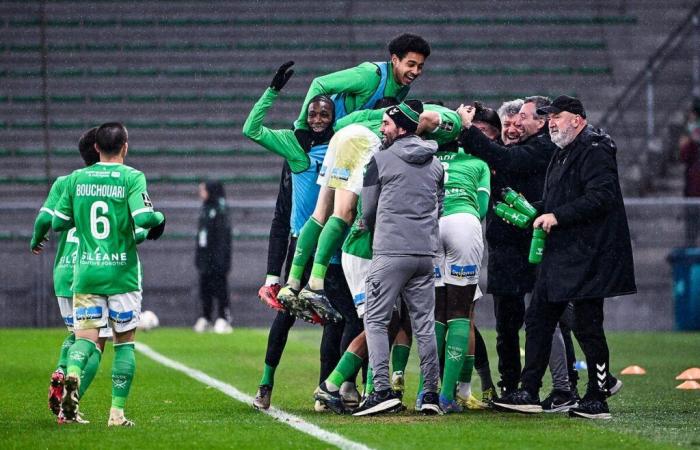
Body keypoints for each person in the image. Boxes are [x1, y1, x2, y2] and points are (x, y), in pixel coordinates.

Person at [489, 95, 636, 419]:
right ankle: (528, 390)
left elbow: (602, 196)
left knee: (587, 324)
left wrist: (558, 217)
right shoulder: (562, 152)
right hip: (564, 255)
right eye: (548, 117)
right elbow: (557, 199)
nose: (551, 121)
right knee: (538, 319)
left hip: (590, 254)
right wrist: (534, 211)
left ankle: (597, 396)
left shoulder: (595, 148)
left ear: (578, 119)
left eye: (557, 116)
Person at [280, 34, 431, 316]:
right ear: (394, 60)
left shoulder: (399, 89)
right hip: (329, 144)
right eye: (411, 64)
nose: (416, 72)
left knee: (318, 213)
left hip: (338, 143)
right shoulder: (370, 75)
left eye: (421, 67)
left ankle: (292, 284)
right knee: (339, 214)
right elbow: (319, 84)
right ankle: (313, 286)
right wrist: (302, 127)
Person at [242, 63, 362, 411]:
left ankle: (328, 389)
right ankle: (265, 385)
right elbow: (251, 129)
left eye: (325, 113)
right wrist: (272, 91)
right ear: (305, 115)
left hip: (336, 246)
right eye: (313, 113)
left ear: (334, 115)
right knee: (286, 314)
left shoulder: (344, 144)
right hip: (302, 246)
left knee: (337, 318)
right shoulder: (296, 145)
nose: (319, 118)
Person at [52, 122, 166, 426]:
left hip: (87, 273)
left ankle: (73, 373)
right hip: (122, 274)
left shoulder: (77, 179)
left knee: (85, 339)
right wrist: (160, 217)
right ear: (125, 147)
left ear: (96, 148)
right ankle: (116, 413)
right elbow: (144, 217)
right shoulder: (131, 177)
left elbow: (59, 223)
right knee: (124, 342)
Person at [30, 128, 136, 423]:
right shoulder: (119, 182)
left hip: (66, 272)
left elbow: (45, 219)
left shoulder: (66, 181)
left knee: (78, 336)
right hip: (98, 270)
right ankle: (70, 395)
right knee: (97, 344)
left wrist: (35, 240)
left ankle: (64, 372)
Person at [458, 96, 557, 398]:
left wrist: (467, 131)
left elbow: (507, 160)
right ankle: (511, 385)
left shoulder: (537, 150)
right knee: (507, 325)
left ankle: (563, 386)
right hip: (504, 248)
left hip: (537, 245)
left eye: (519, 122)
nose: (513, 128)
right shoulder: (496, 158)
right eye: (508, 124)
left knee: (551, 318)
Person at [352, 101, 444, 416]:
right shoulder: (436, 164)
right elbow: (438, 207)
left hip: (391, 253)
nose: (381, 128)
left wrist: (379, 229)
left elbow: (367, 211)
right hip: (425, 255)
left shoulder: (379, 160)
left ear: (401, 127)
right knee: (424, 324)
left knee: (376, 320)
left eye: (386, 124)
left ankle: (380, 391)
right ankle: (430, 394)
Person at [193, 180, 233, 334]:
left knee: (220, 288)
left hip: (217, 259)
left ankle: (224, 318)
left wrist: (221, 260)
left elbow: (223, 239)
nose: (201, 193)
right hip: (205, 259)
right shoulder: (205, 209)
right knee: (205, 288)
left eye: (203, 190)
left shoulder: (220, 210)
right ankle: (206, 317)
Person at [679, 98, 700, 246]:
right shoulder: (690, 133)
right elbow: (683, 155)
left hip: (694, 188)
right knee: (692, 230)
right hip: (693, 190)